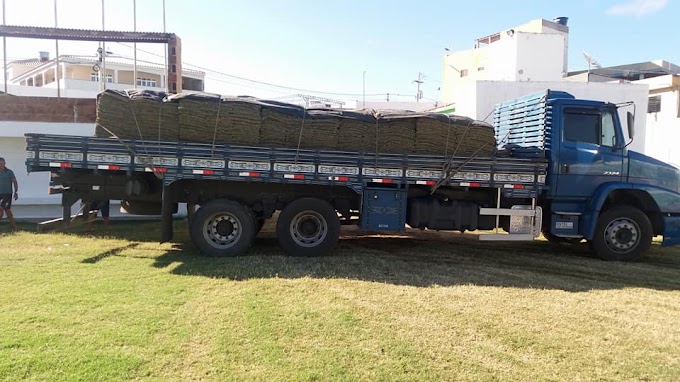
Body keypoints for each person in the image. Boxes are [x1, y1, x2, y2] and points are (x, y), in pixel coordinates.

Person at [0, 157, 19, 229]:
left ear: (4, 164)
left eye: (2, 163)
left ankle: (13, 225)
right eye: (0, 164)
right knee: (6, 210)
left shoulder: (9, 172)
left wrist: (16, 192)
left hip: (7, 194)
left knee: (2, 208)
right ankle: (13, 224)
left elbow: (14, 182)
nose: (1, 165)